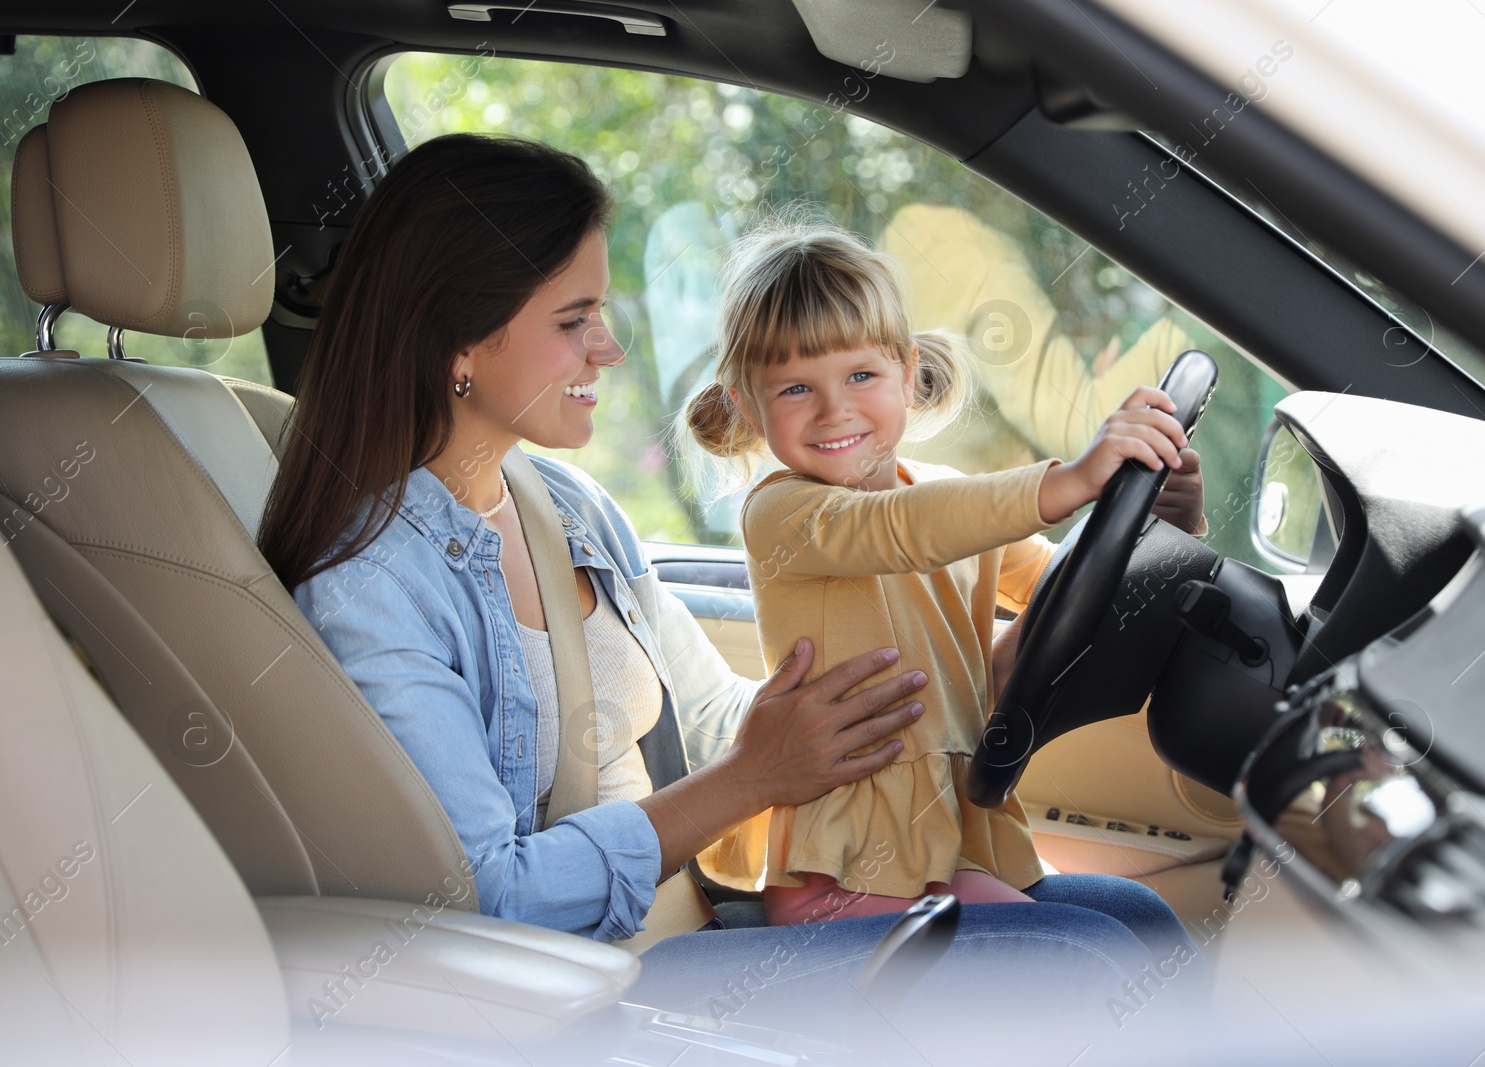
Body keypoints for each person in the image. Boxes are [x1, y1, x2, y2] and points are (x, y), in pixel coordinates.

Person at [257, 132, 1199, 1038]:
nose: (610, 350)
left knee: (1139, 921)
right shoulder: (375, 586)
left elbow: (721, 721)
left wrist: (977, 662)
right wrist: (753, 778)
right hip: (587, 988)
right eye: (574, 319)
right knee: (1078, 957)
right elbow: (490, 893)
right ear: (459, 342)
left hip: (710, 919)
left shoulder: (568, 508)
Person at [681, 220, 1205, 926]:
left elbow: (1075, 587)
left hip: (949, 851)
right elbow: (902, 529)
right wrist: (1072, 479)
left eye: (861, 375)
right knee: (1082, 947)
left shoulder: (939, 490)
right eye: (796, 388)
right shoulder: (785, 514)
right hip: (847, 870)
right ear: (747, 403)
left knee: (1142, 919)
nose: (836, 409)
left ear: (907, 370)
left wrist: (1164, 523)